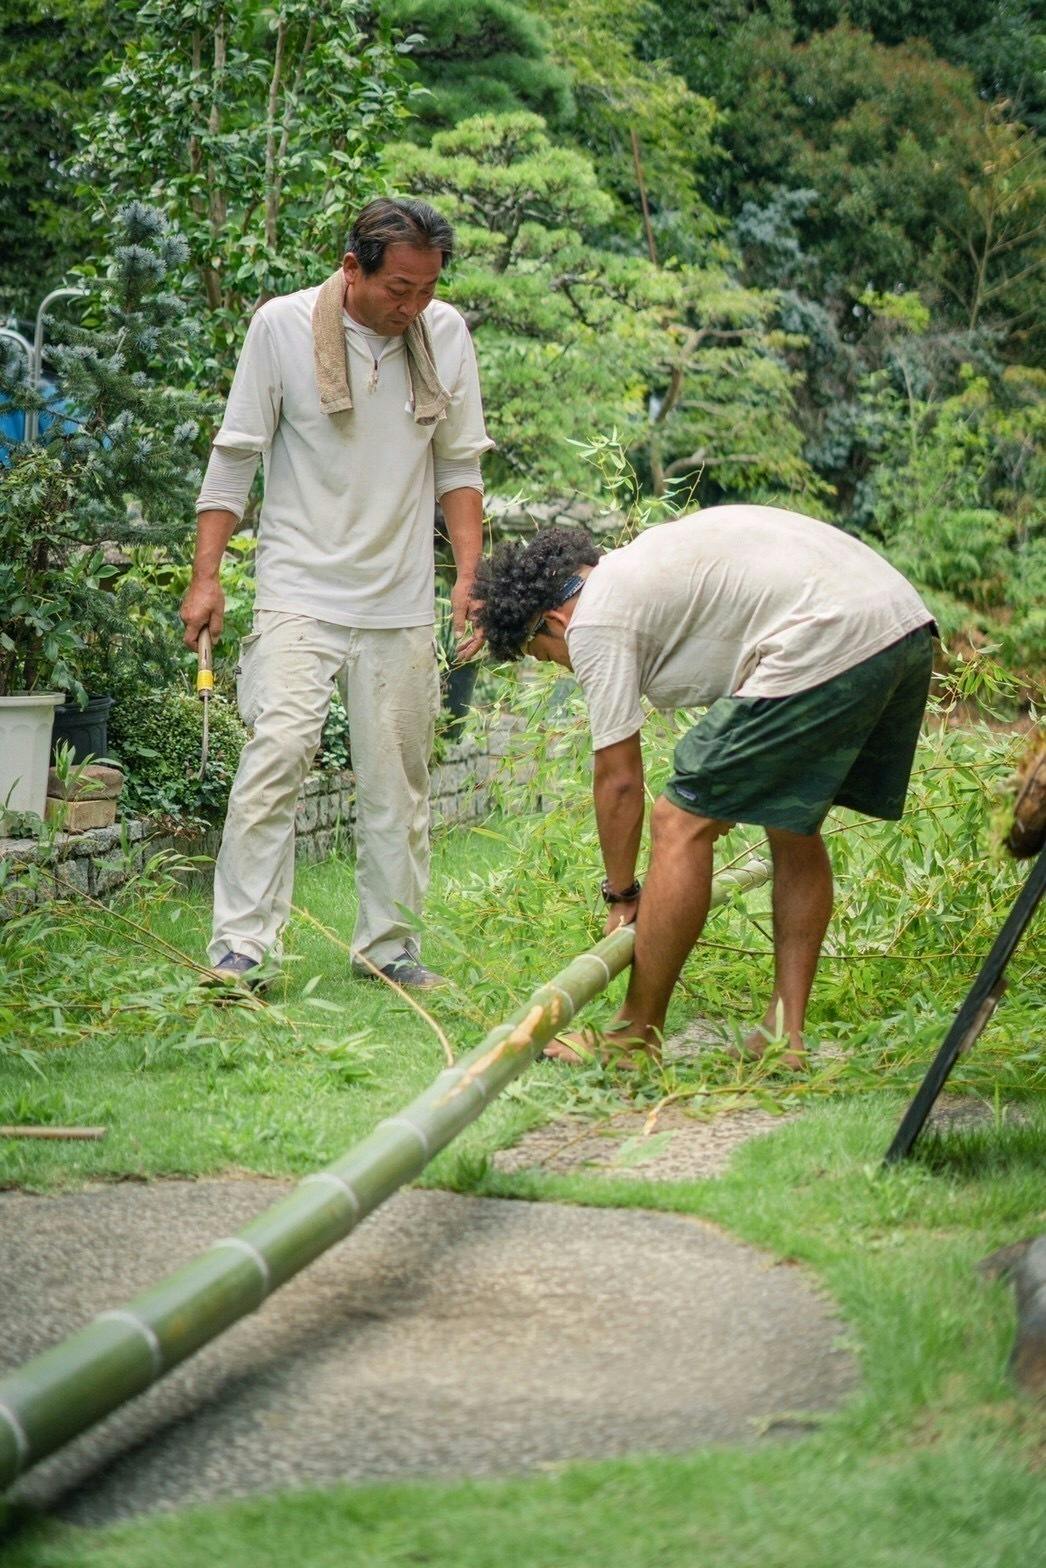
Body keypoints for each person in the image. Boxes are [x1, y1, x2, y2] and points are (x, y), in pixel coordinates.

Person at [473, 505, 936, 1066]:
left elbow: (619, 780)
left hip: (832, 632)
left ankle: (634, 1036)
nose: (560, 667)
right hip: (902, 623)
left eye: (543, 655)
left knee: (679, 821)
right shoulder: (641, 570)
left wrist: (622, 895)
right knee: (789, 820)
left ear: (551, 621)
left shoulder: (594, 621)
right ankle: (783, 1037)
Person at [181, 197, 493, 990]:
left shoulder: (444, 335)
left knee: (398, 780)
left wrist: (469, 577)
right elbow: (236, 454)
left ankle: (387, 949)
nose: (412, 306)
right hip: (299, 587)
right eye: (399, 288)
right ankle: (240, 948)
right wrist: (207, 576)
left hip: (398, 597)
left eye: (426, 289)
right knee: (276, 755)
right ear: (352, 268)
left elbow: (458, 467)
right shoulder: (281, 327)